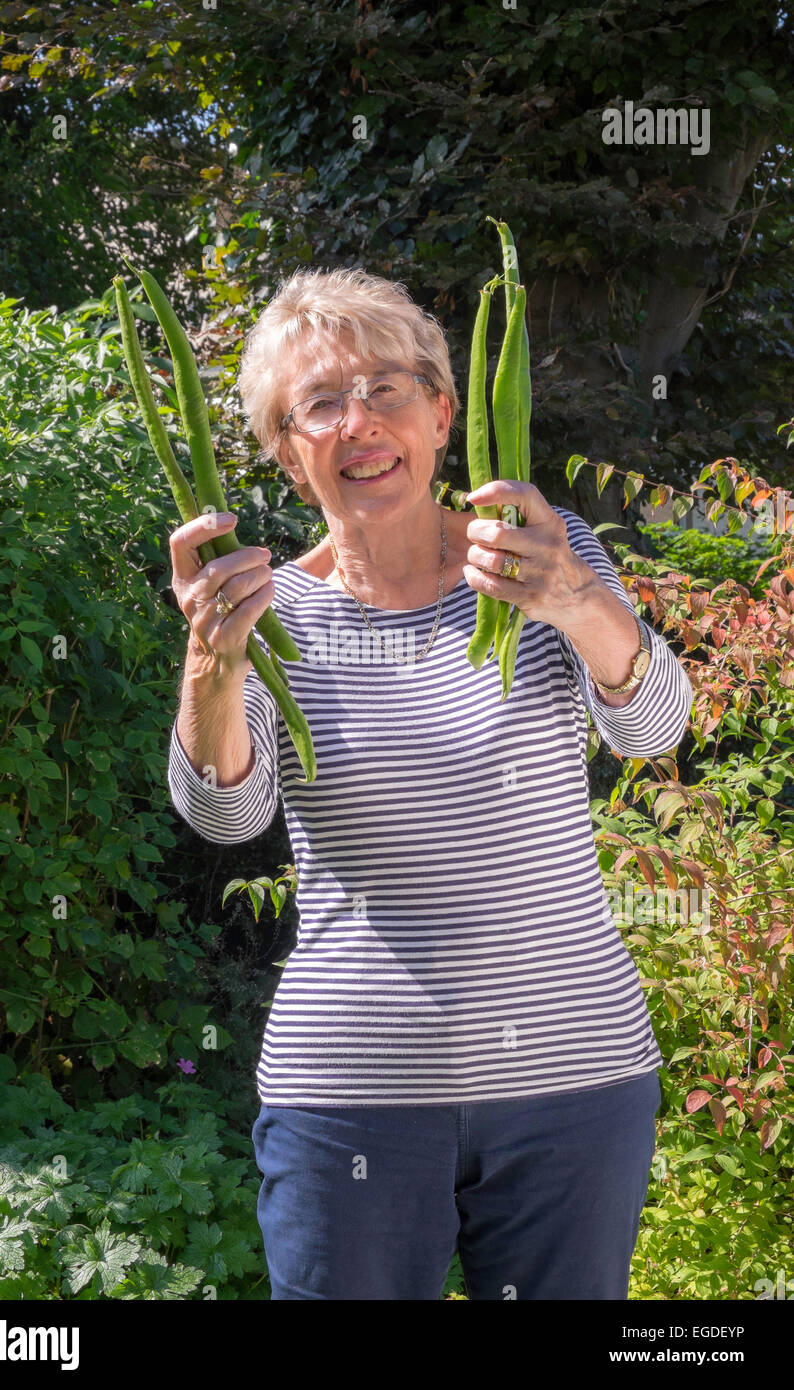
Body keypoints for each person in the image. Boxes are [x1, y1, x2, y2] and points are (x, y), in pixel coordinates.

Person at [166, 266, 693, 1301]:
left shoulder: (545, 555)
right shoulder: (265, 611)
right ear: (285, 450)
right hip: (351, 1091)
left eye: (387, 388)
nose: (358, 420)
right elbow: (227, 815)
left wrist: (577, 601)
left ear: (442, 411)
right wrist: (209, 667)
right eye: (318, 402)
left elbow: (653, 725)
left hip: (573, 1081)